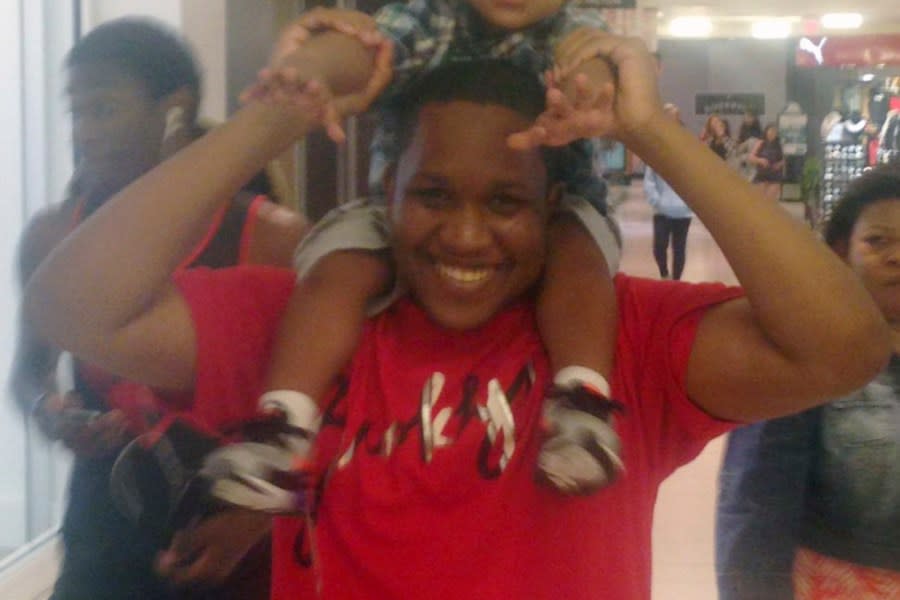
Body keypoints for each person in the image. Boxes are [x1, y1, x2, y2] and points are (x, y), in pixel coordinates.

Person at [23, 36, 891, 600]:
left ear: (554, 210)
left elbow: (845, 347)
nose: (468, 234)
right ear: (383, 197)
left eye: (507, 202)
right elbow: (73, 307)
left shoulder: (624, 338)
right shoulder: (301, 323)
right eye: (431, 195)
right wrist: (279, 115)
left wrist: (653, 131)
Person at [240, 0, 625, 495]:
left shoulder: (577, 32)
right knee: (338, 268)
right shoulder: (427, 18)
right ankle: (283, 422)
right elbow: (366, 55)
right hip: (400, 208)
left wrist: (588, 91)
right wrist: (309, 70)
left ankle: (583, 402)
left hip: (557, 206)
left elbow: (592, 69)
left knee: (580, 257)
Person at [10, 17, 307, 599]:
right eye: (77, 112)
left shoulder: (271, 238)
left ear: (175, 109)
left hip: (240, 535)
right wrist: (52, 412)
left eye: (104, 110)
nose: (85, 133)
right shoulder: (54, 238)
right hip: (106, 529)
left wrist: (265, 515)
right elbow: (28, 371)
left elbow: (323, 410)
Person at [716, 163, 900, 600]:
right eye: (878, 241)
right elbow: (755, 502)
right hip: (835, 583)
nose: (897, 256)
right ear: (841, 251)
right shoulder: (812, 360)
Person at [644, 103, 693, 280]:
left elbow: (693, 177)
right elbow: (649, 177)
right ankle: (664, 274)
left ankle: (676, 281)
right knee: (659, 246)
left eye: (673, 116)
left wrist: (689, 201)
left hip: (682, 210)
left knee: (679, 247)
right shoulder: (656, 145)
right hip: (661, 209)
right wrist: (656, 200)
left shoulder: (687, 145)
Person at [750, 123, 785, 202]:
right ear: (766, 132)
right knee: (760, 200)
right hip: (762, 174)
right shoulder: (760, 143)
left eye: (774, 132)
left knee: (770, 201)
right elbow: (751, 157)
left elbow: (783, 160)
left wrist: (779, 164)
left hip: (775, 175)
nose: (772, 133)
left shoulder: (779, 144)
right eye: (771, 131)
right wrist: (760, 160)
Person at [736, 110, 762, 181]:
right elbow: (738, 147)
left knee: (752, 141)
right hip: (743, 154)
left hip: (754, 156)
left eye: (750, 117)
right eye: (746, 117)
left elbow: (760, 144)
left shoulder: (758, 130)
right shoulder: (742, 129)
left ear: (754, 118)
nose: (748, 119)